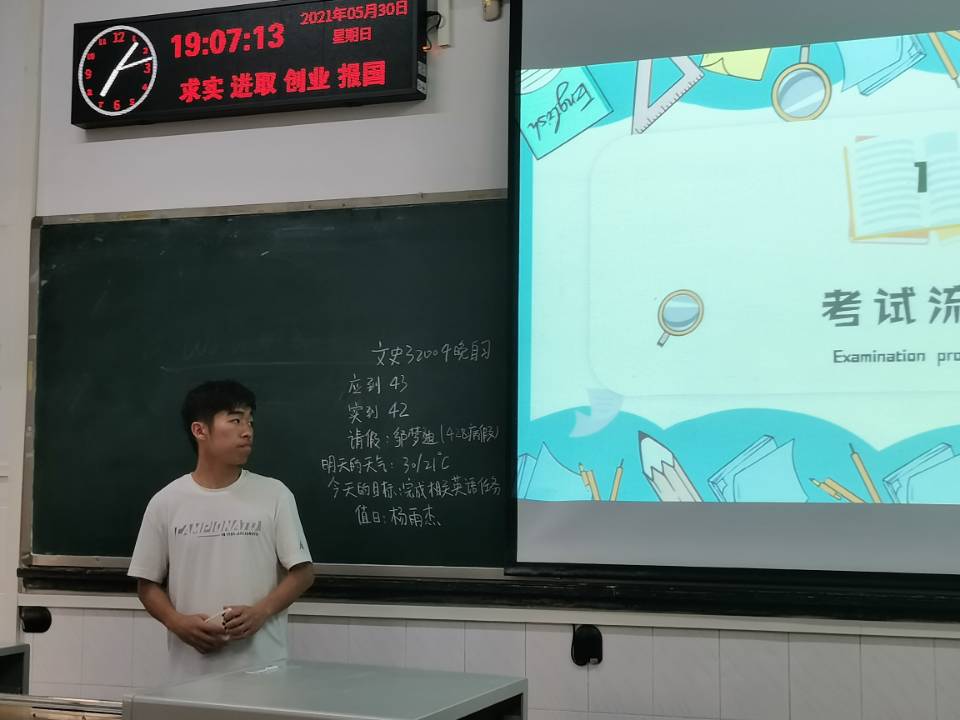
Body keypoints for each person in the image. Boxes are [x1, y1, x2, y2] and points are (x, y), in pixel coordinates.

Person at [129, 380, 314, 681]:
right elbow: (147, 585)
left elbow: (303, 574)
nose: (248, 431)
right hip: (189, 675)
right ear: (200, 430)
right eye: (236, 420)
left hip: (263, 671)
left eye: (250, 421)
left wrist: (261, 612)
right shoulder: (166, 501)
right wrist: (177, 622)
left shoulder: (275, 494)